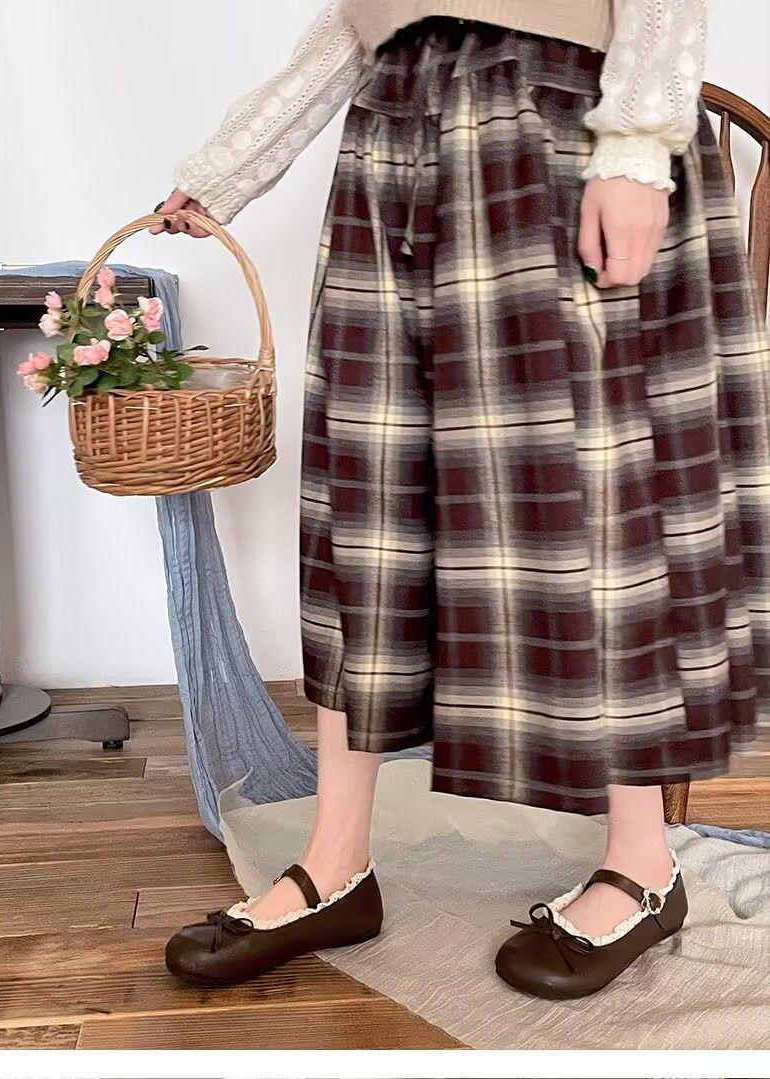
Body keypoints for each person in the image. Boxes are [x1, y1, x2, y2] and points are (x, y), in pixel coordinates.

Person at [158, 0, 769, 999]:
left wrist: (635, 145)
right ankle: (336, 863)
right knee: (370, 494)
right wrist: (233, 163)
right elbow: (361, 20)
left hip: (562, 122)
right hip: (394, 131)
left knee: (599, 501)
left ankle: (642, 862)